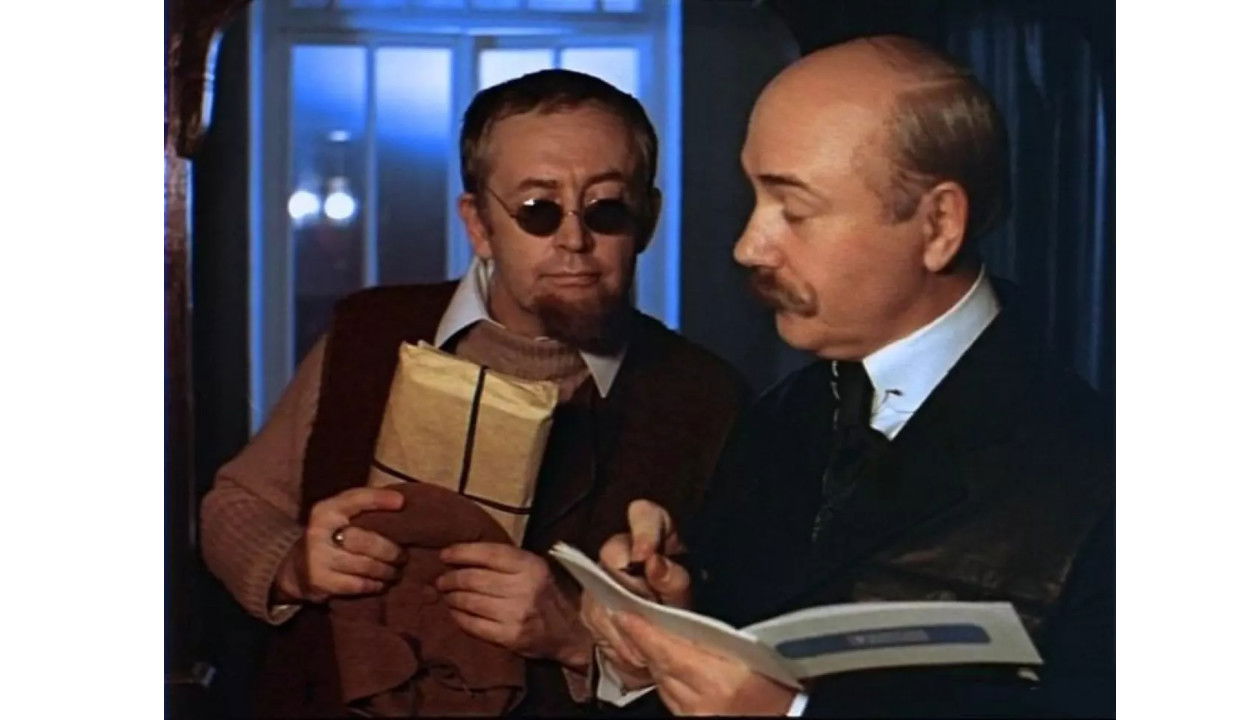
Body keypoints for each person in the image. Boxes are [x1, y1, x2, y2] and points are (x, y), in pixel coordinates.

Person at [582, 35, 1114, 718]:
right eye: (754, 196)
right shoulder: (778, 416)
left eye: (795, 210)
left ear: (938, 225)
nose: (748, 246)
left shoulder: (1098, 469)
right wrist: (667, 631)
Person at [200, 69, 748, 717]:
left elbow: (734, 657)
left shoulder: (708, 399)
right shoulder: (369, 333)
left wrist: (578, 640)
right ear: (480, 224)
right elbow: (235, 504)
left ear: (647, 220)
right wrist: (293, 565)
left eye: (606, 208)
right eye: (538, 210)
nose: (574, 240)